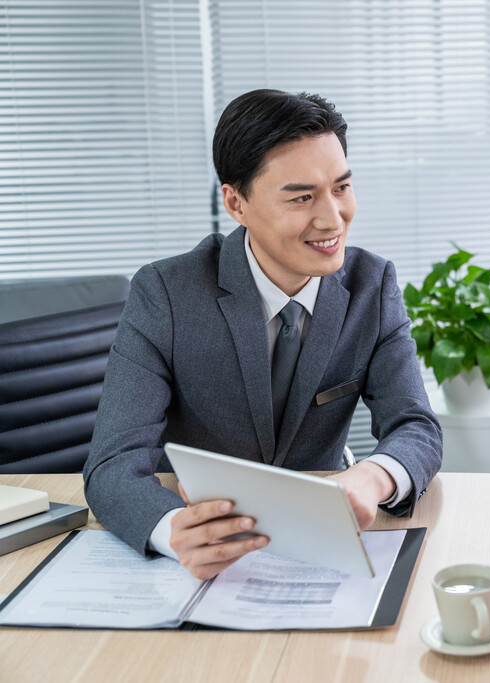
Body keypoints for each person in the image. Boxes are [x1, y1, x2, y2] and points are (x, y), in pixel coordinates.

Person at [84, 89, 442, 580]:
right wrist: (173, 531)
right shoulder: (166, 293)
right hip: (207, 551)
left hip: (321, 546)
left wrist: (373, 477)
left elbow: (415, 426)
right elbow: (113, 464)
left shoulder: (372, 286)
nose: (332, 218)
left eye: (341, 187)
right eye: (301, 197)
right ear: (236, 202)